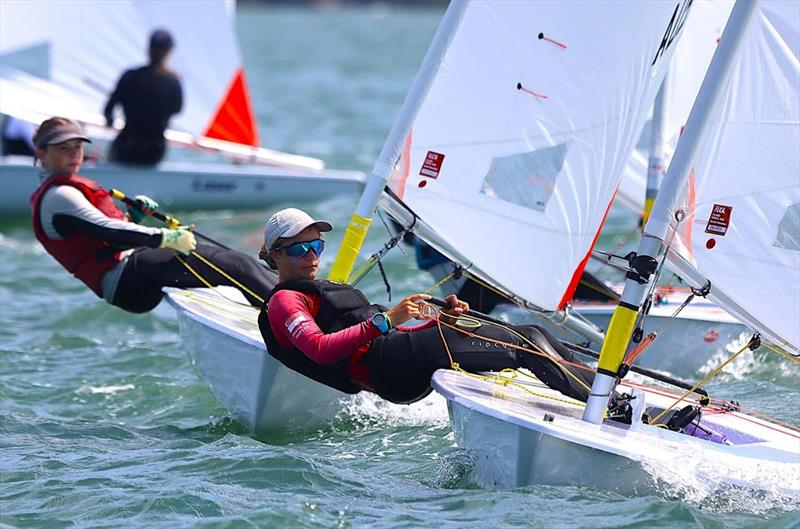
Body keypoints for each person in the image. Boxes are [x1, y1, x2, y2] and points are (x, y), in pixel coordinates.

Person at [257, 208, 596, 405]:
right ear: (275, 255)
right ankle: (602, 405)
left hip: (395, 360)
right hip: (388, 368)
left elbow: (390, 340)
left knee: (529, 333)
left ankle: (602, 391)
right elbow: (319, 349)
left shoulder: (312, 290)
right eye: (300, 250)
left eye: (316, 245)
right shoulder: (285, 301)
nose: (312, 256)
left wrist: (440, 322)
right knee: (524, 346)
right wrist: (386, 320)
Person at [31, 117, 276, 313]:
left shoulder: (65, 188)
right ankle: (289, 314)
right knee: (235, 265)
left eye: (78, 148)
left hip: (133, 267)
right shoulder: (58, 195)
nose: (74, 155)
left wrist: (133, 217)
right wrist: (165, 237)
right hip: (125, 279)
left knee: (234, 260)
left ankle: (292, 298)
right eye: (63, 149)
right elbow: (106, 228)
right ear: (42, 154)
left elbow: (107, 235)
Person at [103, 29, 182, 165]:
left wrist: (110, 121)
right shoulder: (173, 81)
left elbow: (108, 110)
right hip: (153, 152)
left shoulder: (130, 75)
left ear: (148, 48)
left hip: (126, 146)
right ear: (169, 52)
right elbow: (177, 108)